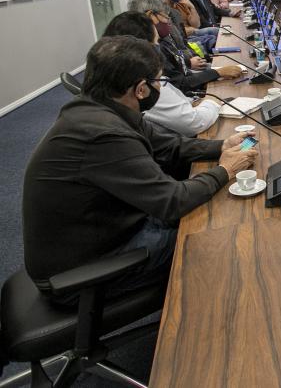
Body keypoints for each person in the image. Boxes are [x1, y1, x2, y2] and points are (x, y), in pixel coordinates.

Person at [21, 35, 257, 304]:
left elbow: (168, 147)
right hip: (82, 271)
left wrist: (221, 145)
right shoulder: (103, 135)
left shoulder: (103, 108)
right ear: (141, 89)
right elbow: (172, 201)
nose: (161, 86)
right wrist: (225, 170)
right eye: (159, 80)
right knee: (216, 240)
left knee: (209, 214)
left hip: (107, 230)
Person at [103, 11, 221, 136]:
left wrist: (195, 102)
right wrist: (212, 101)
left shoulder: (112, 74)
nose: (159, 47)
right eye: (155, 43)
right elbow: (194, 123)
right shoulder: (144, 85)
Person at [128, 0, 242, 94]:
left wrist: (212, 74)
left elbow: (183, 72)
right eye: (165, 16)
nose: (168, 21)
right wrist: (218, 73)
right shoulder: (151, 51)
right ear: (151, 16)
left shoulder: (161, 40)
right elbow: (180, 83)